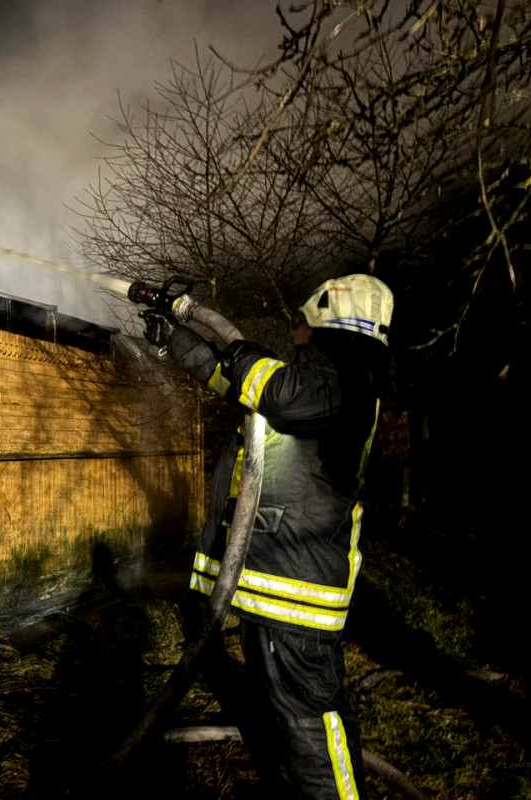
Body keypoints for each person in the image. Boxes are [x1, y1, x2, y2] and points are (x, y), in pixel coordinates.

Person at [144, 273, 393, 800]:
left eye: (303, 320)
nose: (296, 328)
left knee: (309, 726)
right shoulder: (317, 375)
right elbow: (236, 379)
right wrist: (176, 337)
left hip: (296, 592)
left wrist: (237, 343)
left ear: (331, 318)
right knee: (286, 716)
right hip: (273, 583)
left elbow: (277, 393)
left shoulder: (345, 372)